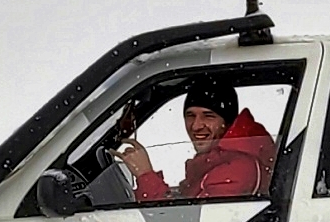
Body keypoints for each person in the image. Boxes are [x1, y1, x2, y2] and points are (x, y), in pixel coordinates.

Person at [117, 83, 276, 202]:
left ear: (226, 122)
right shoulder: (216, 160)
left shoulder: (238, 168)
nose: (196, 126)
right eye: (190, 115)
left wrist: (145, 175)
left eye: (208, 116)